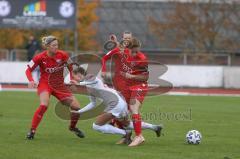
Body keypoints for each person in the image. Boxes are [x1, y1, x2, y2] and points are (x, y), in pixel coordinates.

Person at [70, 67, 163, 145]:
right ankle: (155, 127)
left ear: (81, 74)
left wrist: (79, 84)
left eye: (76, 77)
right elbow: (93, 104)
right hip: (119, 102)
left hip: (115, 104)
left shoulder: (90, 78)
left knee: (96, 126)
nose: (75, 79)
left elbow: (91, 80)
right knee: (127, 124)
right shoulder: (88, 87)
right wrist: (78, 112)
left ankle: (125, 133)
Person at [25, 35, 84, 140]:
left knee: (76, 108)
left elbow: (71, 67)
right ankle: (32, 131)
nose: (56, 47)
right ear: (47, 46)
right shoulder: (39, 57)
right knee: (44, 105)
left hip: (59, 86)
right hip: (45, 84)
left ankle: (72, 127)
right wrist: (31, 80)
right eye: (53, 45)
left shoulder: (63, 55)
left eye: (57, 45)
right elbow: (28, 70)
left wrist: (72, 77)